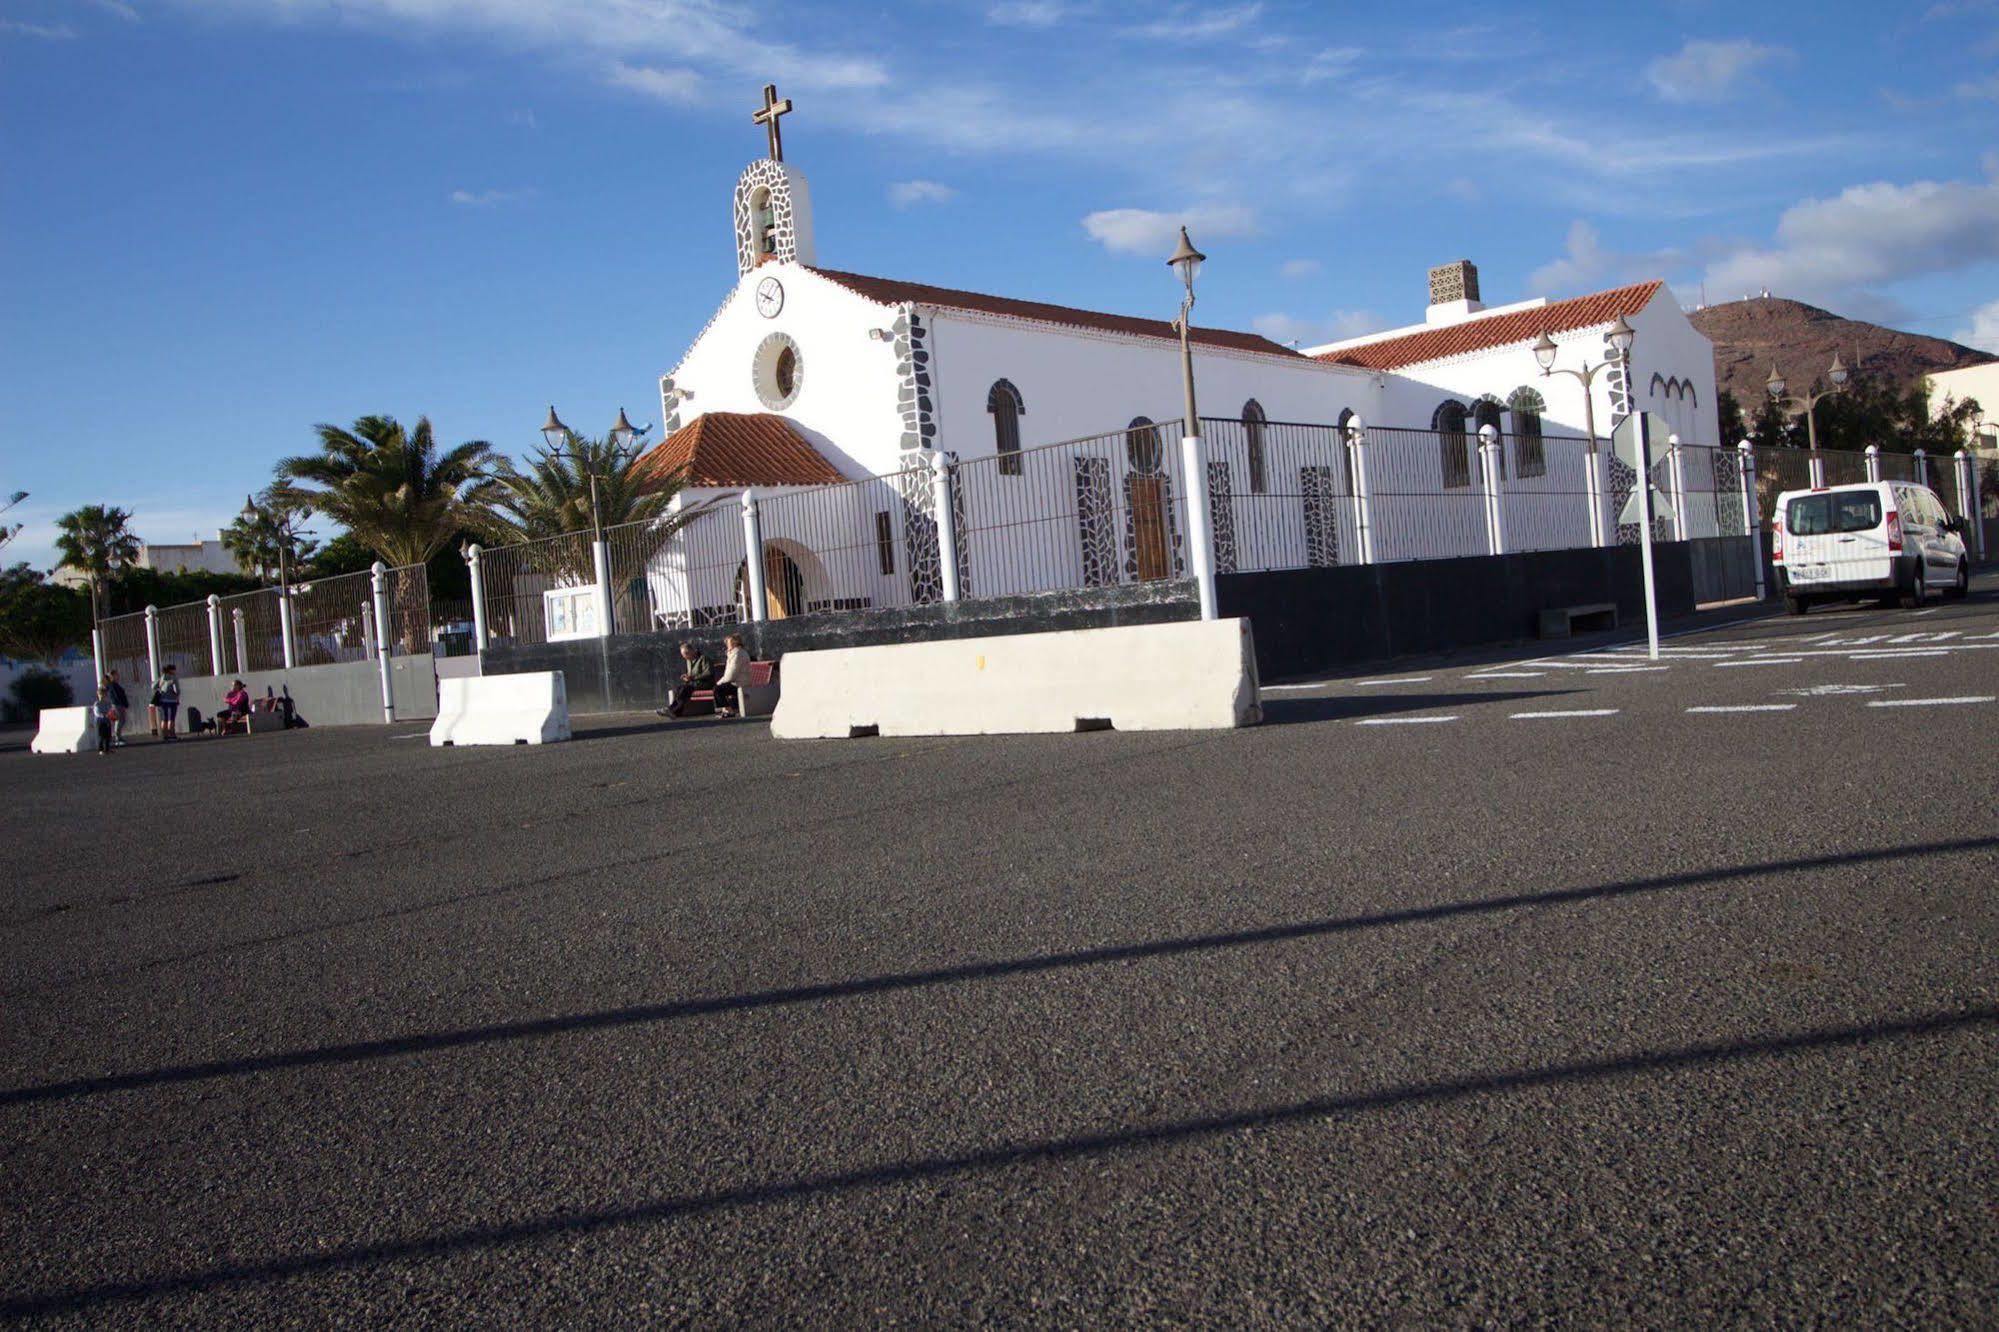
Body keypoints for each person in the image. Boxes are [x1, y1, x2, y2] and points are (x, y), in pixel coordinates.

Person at [658, 641, 714, 718]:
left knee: (684, 689)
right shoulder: (688, 661)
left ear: (691, 651)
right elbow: (691, 674)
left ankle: (672, 710)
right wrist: (687, 676)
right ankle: (674, 711)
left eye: (686, 654)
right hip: (693, 683)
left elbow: (708, 673)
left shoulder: (703, 658)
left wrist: (692, 678)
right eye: (683, 655)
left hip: (705, 683)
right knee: (679, 689)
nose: (685, 657)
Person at [713, 633, 750, 718]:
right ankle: (727, 710)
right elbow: (728, 673)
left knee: (718, 689)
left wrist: (720, 683)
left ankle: (729, 711)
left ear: (735, 643)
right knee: (718, 687)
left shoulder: (737, 654)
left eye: (728, 642)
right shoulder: (733, 654)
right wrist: (720, 682)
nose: (726, 644)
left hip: (740, 683)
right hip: (736, 681)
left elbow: (731, 674)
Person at [151, 663, 181, 741]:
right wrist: (176, 695)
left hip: (162, 701)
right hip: (172, 701)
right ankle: (172, 734)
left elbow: (153, 686)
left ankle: (165, 735)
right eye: (174, 670)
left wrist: (161, 688)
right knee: (171, 718)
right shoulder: (173, 678)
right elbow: (177, 690)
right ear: (171, 670)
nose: (175, 671)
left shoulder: (161, 678)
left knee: (164, 718)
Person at [104, 670, 130, 747]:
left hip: (119, 704)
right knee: (119, 720)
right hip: (117, 704)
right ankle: (117, 738)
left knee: (122, 720)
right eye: (116, 675)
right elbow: (116, 695)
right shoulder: (112, 685)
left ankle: (118, 736)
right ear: (112, 676)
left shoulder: (115, 684)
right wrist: (123, 703)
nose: (118, 676)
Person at [91, 686, 117, 755]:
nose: (102, 695)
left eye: (104, 694)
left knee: (108, 735)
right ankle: (101, 750)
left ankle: (107, 749)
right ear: (98, 694)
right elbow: (97, 713)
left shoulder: (108, 703)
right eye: (100, 694)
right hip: (99, 722)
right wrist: (105, 715)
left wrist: (112, 715)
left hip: (107, 721)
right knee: (101, 736)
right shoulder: (97, 704)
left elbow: (111, 710)